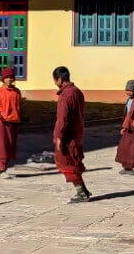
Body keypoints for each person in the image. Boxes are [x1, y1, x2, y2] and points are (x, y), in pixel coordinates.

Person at [53, 66, 91, 203]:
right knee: (75, 163)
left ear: (59, 79)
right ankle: (84, 190)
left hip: (68, 137)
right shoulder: (77, 92)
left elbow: (63, 118)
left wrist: (60, 137)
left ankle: (81, 193)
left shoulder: (65, 95)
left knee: (68, 165)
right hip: (77, 133)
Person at [0, 67, 21, 179]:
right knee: (1, 145)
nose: (9, 80)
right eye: (7, 78)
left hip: (13, 122)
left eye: (11, 77)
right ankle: (2, 169)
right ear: (3, 79)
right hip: (0, 123)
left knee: (9, 146)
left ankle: (1, 165)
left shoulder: (17, 92)